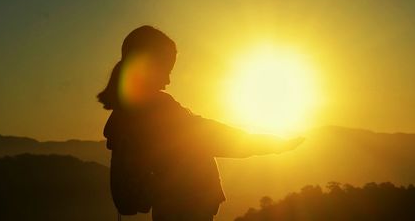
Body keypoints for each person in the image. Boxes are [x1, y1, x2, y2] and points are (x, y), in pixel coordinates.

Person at [97, 25, 305, 221]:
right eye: (166, 69)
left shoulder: (128, 114)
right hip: (185, 210)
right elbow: (213, 137)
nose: (168, 80)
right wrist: (272, 144)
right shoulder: (157, 110)